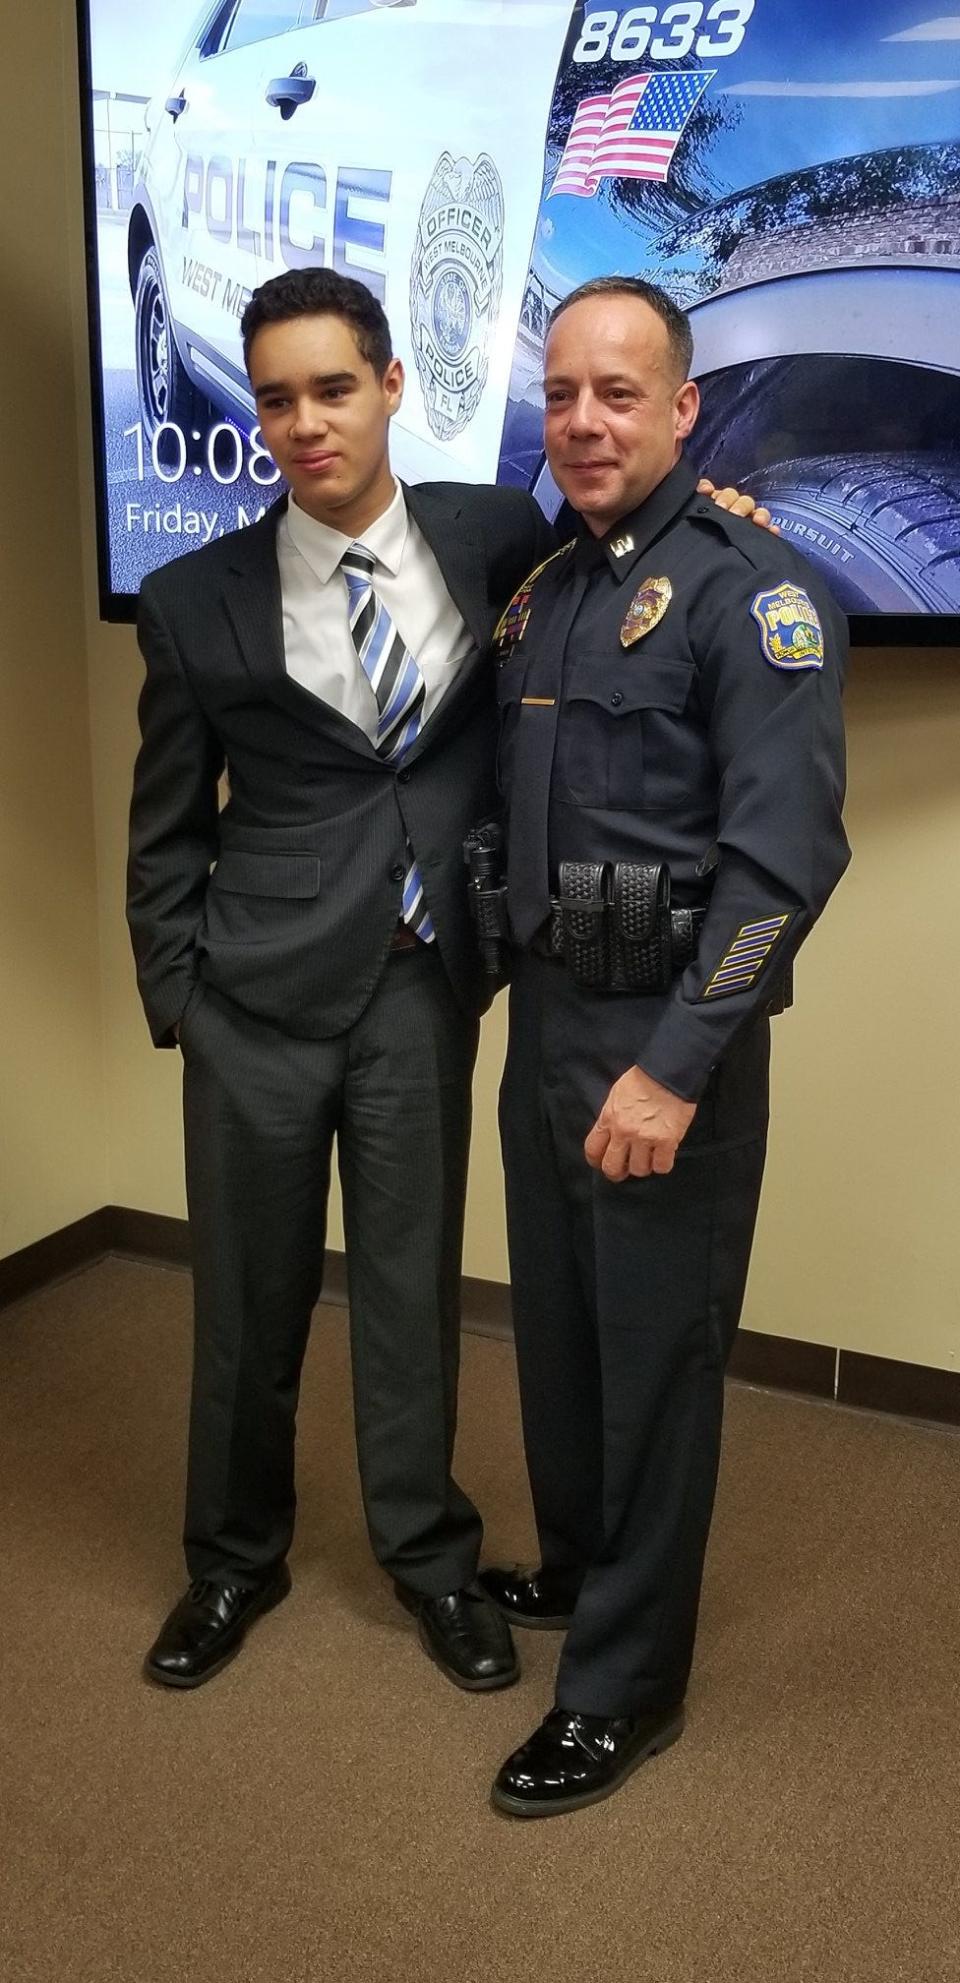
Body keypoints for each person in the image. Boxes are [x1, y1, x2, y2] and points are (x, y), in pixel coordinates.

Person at [127, 266, 766, 1698]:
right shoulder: (192, 599)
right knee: (246, 1310)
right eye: (279, 397)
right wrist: (181, 996)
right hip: (257, 1007)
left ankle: (428, 1560)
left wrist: (739, 526)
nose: (304, 423)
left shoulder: (494, 541)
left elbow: (632, 561)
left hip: (424, 990)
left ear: (394, 387)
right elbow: (164, 824)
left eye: (333, 389)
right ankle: (231, 1563)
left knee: (411, 1296)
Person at [479, 276, 850, 1818]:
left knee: (656, 1365)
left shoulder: (756, 592)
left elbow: (783, 867)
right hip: (554, 1014)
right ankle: (580, 1566)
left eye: (620, 393)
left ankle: (624, 1691)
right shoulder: (544, 589)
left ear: (686, 407)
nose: (583, 419)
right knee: (560, 1342)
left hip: (660, 1039)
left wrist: (679, 1066)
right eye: (562, 392)